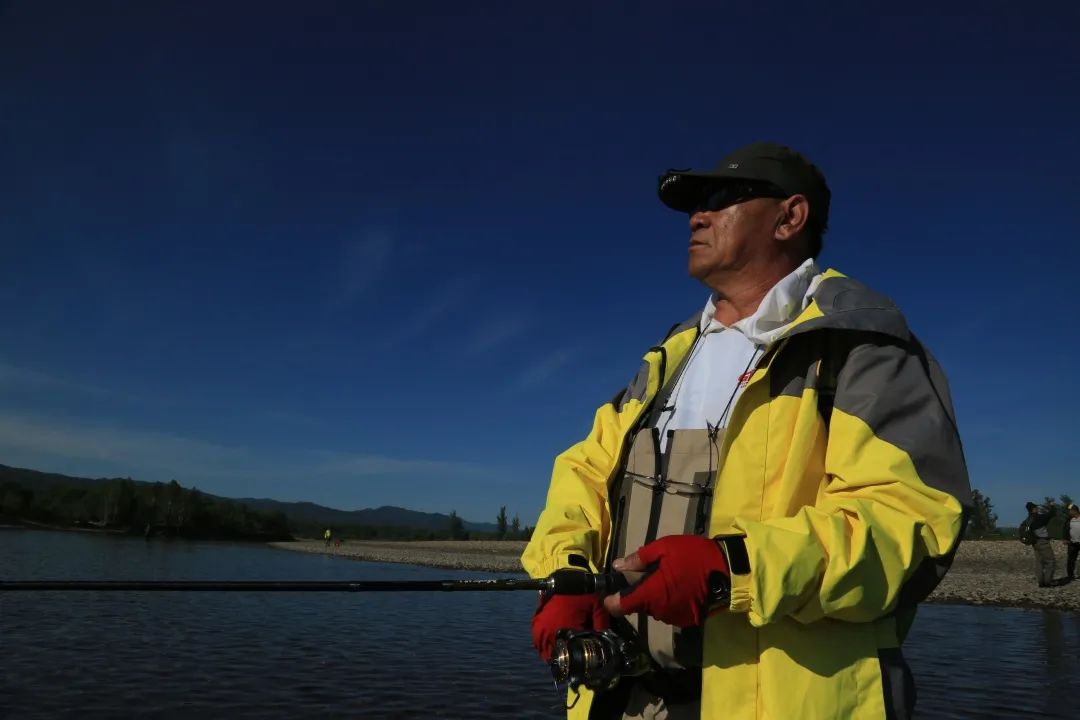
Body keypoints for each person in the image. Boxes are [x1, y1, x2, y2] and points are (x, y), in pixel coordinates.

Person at [521, 142, 970, 720]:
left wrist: (731, 568)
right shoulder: (667, 359)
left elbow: (909, 524)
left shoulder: (864, 347)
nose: (697, 217)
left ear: (790, 217)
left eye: (722, 199)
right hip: (623, 702)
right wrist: (566, 577)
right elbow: (583, 473)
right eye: (695, 205)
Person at [1019, 501, 1055, 586]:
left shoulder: (1027, 520)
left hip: (1034, 543)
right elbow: (1051, 515)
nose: (1038, 509)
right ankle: (1047, 581)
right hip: (1043, 542)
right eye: (1036, 508)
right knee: (1050, 561)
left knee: (1039, 562)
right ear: (1034, 509)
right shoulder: (1039, 518)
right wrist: (1052, 506)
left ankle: (1041, 582)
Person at [1064, 503, 1079, 581]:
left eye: (1069, 511)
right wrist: (1065, 538)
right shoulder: (1068, 519)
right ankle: (1070, 576)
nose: (1069, 512)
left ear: (1074, 511)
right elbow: (1065, 529)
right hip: (1072, 542)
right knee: (1071, 560)